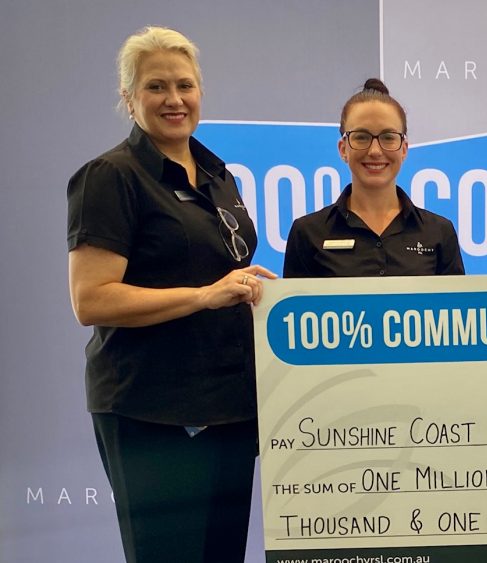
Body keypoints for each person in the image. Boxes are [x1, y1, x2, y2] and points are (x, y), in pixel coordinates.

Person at [66, 26, 275, 563]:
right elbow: (93, 300)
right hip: (152, 413)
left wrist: (239, 283)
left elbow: (208, 264)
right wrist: (204, 295)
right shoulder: (111, 177)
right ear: (129, 98)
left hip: (228, 409)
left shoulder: (216, 174)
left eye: (185, 85)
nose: (174, 100)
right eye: (156, 87)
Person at [283, 78, 464, 278]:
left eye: (388, 137)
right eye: (361, 137)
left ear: (403, 149)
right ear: (343, 149)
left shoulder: (439, 232)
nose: (375, 151)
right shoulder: (307, 233)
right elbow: (294, 307)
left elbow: (455, 308)